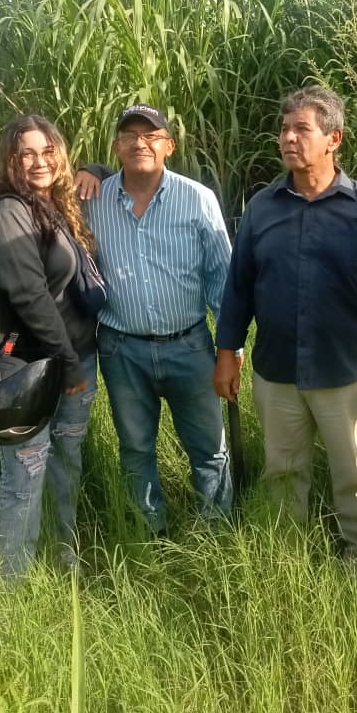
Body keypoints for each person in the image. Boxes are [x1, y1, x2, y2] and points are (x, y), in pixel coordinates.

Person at [213, 86, 357, 562]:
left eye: (301, 129)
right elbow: (238, 289)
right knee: (282, 471)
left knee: (356, 473)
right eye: (284, 129)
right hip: (276, 371)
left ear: (333, 139)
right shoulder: (262, 208)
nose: (287, 138)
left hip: (348, 372)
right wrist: (226, 357)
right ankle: (289, 561)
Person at [79, 104, 233, 533]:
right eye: (129, 135)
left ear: (169, 145)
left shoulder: (197, 199)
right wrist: (82, 168)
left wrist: (229, 352)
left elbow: (224, 281)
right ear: (115, 147)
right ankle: (150, 532)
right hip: (121, 349)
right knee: (135, 449)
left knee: (208, 449)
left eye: (150, 135)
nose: (139, 143)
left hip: (190, 346)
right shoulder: (92, 200)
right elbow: (45, 183)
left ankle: (215, 532)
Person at [0, 114, 99, 579]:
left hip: (75, 360)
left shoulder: (53, 205)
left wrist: (101, 170)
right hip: (30, 373)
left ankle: (62, 557)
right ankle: (12, 590)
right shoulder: (10, 212)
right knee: (24, 479)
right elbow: (30, 297)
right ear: (9, 160)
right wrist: (69, 367)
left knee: (66, 462)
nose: (38, 161)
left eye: (48, 151)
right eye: (26, 153)